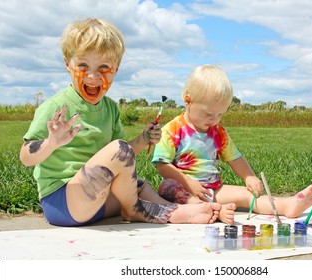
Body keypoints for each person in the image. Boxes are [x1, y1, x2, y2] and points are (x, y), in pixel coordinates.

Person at [19, 18, 221, 227]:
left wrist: (143, 139)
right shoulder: (56, 107)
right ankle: (136, 210)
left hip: (96, 200)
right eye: (83, 65)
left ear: (116, 69)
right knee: (120, 151)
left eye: (103, 67)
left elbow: (120, 159)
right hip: (63, 203)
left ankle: (171, 210)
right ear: (67, 64)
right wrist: (51, 143)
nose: (93, 76)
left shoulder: (109, 108)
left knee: (139, 185)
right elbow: (25, 156)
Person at [152, 65, 312, 224]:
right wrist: (188, 183)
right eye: (209, 114)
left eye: (220, 114)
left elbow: (235, 158)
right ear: (188, 100)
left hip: (214, 190)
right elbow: (162, 165)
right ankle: (210, 211)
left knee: (248, 196)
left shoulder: (218, 132)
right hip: (182, 190)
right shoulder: (172, 130)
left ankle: (286, 206)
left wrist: (249, 176)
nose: (214, 120)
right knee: (168, 186)